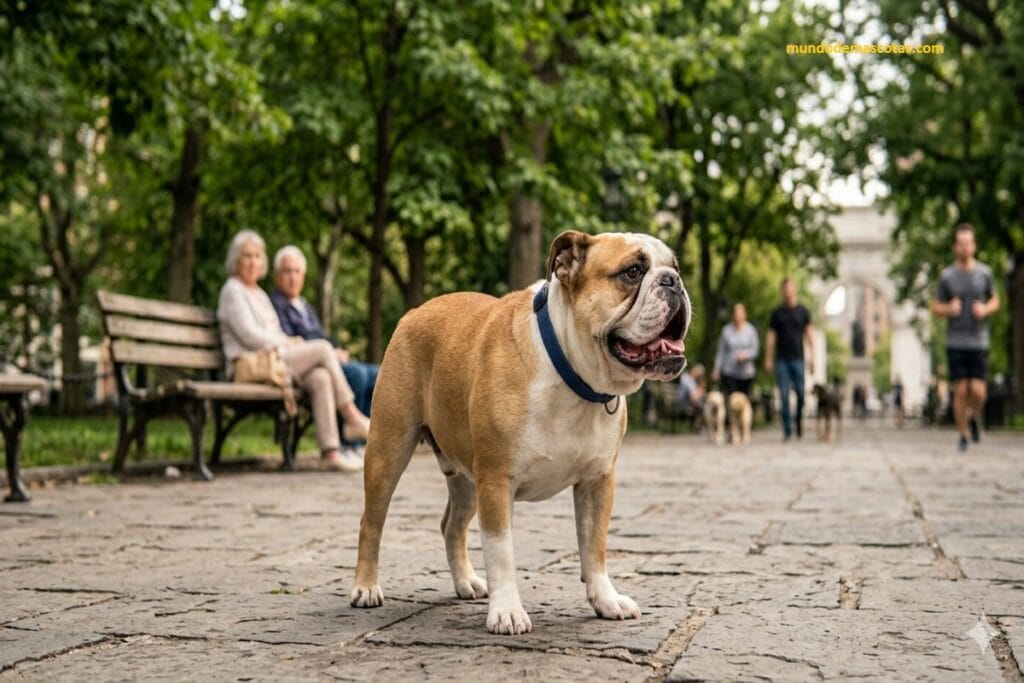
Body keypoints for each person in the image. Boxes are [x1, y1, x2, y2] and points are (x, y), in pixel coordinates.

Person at [216, 230, 369, 472]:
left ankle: (329, 453)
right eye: (246, 255)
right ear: (235, 259)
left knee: (320, 377)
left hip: (273, 362)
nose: (253, 261)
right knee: (322, 348)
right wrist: (288, 343)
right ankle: (351, 415)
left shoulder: (259, 294)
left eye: (257, 256)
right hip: (250, 364)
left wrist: (288, 341)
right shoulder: (232, 290)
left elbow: (274, 332)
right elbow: (249, 336)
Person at [270, 245, 379, 456]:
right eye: (287, 271)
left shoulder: (305, 306)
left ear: (303, 276)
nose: (292, 277)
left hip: (325, 357)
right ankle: (349, 442)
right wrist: (329, 351)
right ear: (277, 276)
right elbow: (294, 339)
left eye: (297, 271)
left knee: (375, 373)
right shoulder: (275, 305)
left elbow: (321, 335)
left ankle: (363, 438)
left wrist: (336, 349)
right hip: (308, 363)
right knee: (356, 374)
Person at [931, 223, 1000, 452]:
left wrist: (986, 309)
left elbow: (995, 300)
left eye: (968, 243)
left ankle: (974, 416)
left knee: (979, 391)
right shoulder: (946, 276)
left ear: (974, 245)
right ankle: (962, 434)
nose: (964, 247)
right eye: (960, 243)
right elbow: (935, 306)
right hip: (956, 341)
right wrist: (948, 308)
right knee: (960, 390)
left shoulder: (985, 273)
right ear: (954, 247)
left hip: (979, 340)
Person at [764, 278, 815, 441]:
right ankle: (787, 428)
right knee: (784, 395)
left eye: (790, 289)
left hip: (798, 359)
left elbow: (810, 335)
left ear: (794, 290)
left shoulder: (803, 311)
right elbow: (771, 336)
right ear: (782, 291)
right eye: (785, 289)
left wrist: (813, 358)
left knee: (801, 394)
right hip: (782, 360)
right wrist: (768, 358)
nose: (787, 292)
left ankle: (798, 420)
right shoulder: (777, 313)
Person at [712, 303, 759, 399]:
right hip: (729, 372)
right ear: (733, 315)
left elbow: (755, 350)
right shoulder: (726, 330)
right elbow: (720, 352)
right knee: (733, 400)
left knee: (743, 401)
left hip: (746, 374)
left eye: (740, 313)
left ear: (745, 314)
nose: (738, 315)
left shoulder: (751, 330)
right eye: (736, 313)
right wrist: (716, 369)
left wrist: (746, 355)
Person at [677, 363, 706, 429]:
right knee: (702, 406)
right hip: (684, 403)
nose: (698, 377)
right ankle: (701, 426)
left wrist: (702, 384)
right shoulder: (687, 378)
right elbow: (694, 395)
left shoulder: (691, 380)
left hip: (688, 401)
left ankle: (699, 426)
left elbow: (695, 394)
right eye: (699, 375)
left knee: (701, 405)